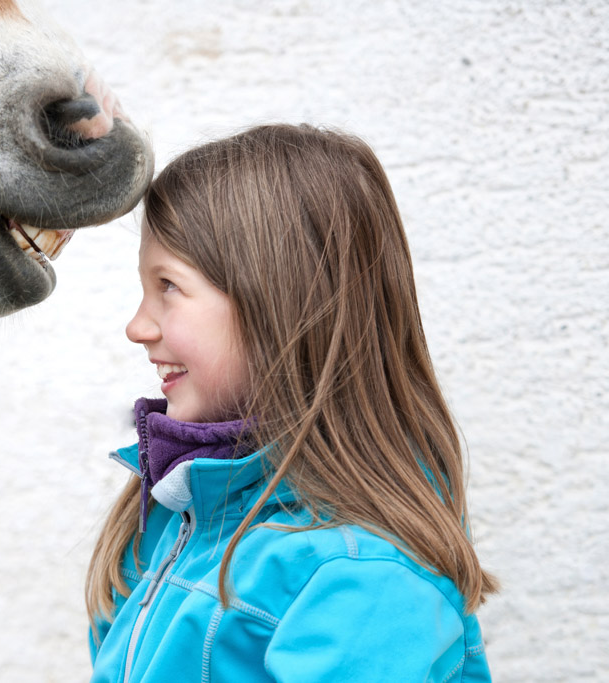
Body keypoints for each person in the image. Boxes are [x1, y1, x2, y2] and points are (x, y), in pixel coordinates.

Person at [86, 124, 497, 681]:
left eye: (168, 287)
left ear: (279, 301)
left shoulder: (361, 577)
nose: (138, 327)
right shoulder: (173, 512)